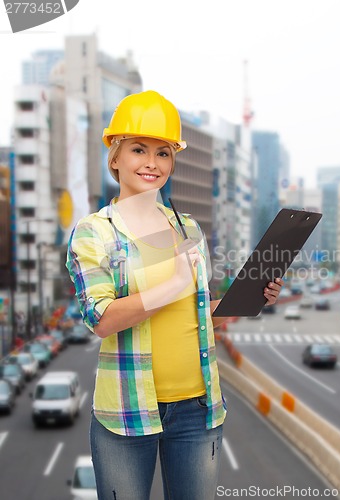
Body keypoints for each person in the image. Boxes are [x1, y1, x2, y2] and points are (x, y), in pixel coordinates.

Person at [66, 90, 283, 500]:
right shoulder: (95, 231)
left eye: (163, 153)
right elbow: (101, 318)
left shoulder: (188, 229)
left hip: (198, 410)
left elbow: (196, 314)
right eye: (138, 149)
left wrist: (251, 298)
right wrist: (168, 287)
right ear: (114, 157)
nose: (152, 162)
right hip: (127, 416)